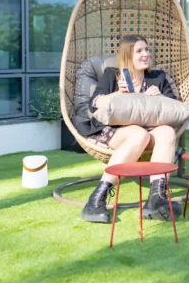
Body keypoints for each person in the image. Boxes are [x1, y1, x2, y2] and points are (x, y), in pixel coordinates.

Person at [77, 34, 181, 224]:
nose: (145, 54)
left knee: (167, 132)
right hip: (116, 130)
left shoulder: (157, 78)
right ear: (128, 55)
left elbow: (174, 107)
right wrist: (118, 93)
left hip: (150, 129)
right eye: (139, 51)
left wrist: (160, 97)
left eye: (147, 50)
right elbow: (94, 104)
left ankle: (156, 199)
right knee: (138, 134)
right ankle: (96, 199)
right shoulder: (112, 75)